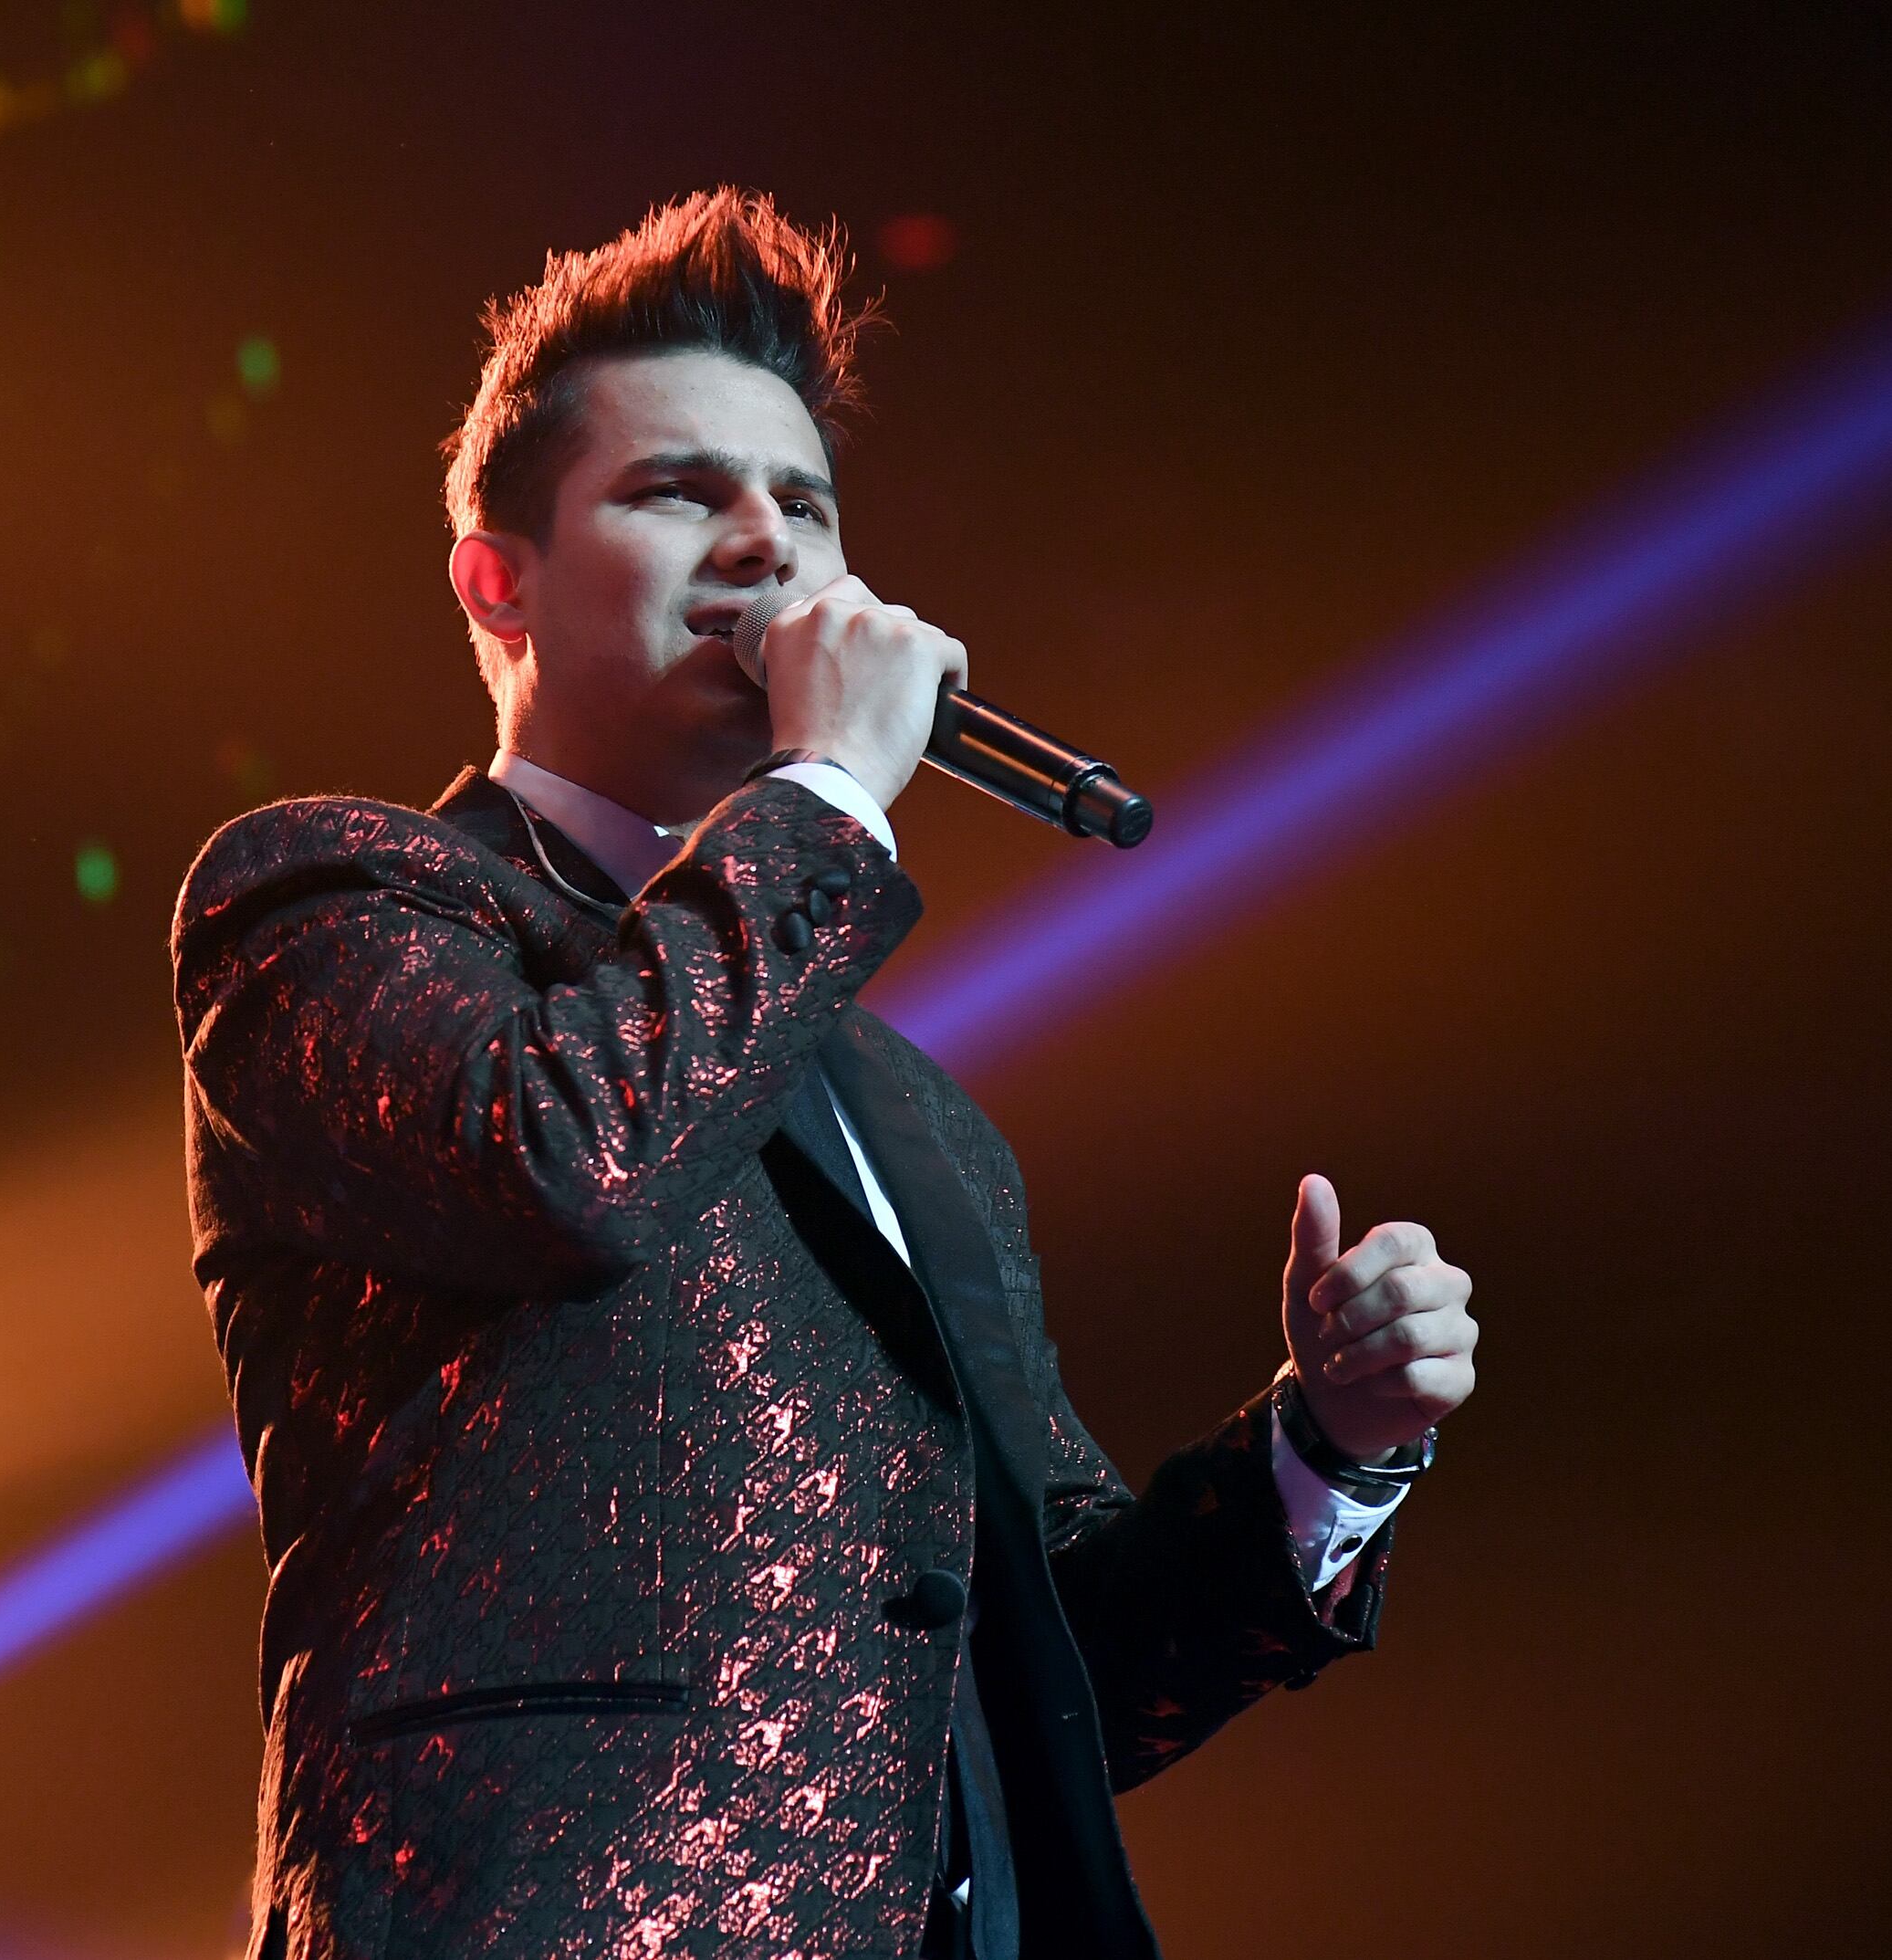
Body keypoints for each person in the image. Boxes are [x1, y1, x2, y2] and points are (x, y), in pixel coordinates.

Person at [172, 188, 1479, 1960]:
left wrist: (1329, 1450)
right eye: (677, 491)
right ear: (501, 582)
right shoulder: (333, 902)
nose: (763, 546)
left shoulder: (917, 1119)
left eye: (804, 505)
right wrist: (831, 798)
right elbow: (574, 1160)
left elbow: (1043, 1668)